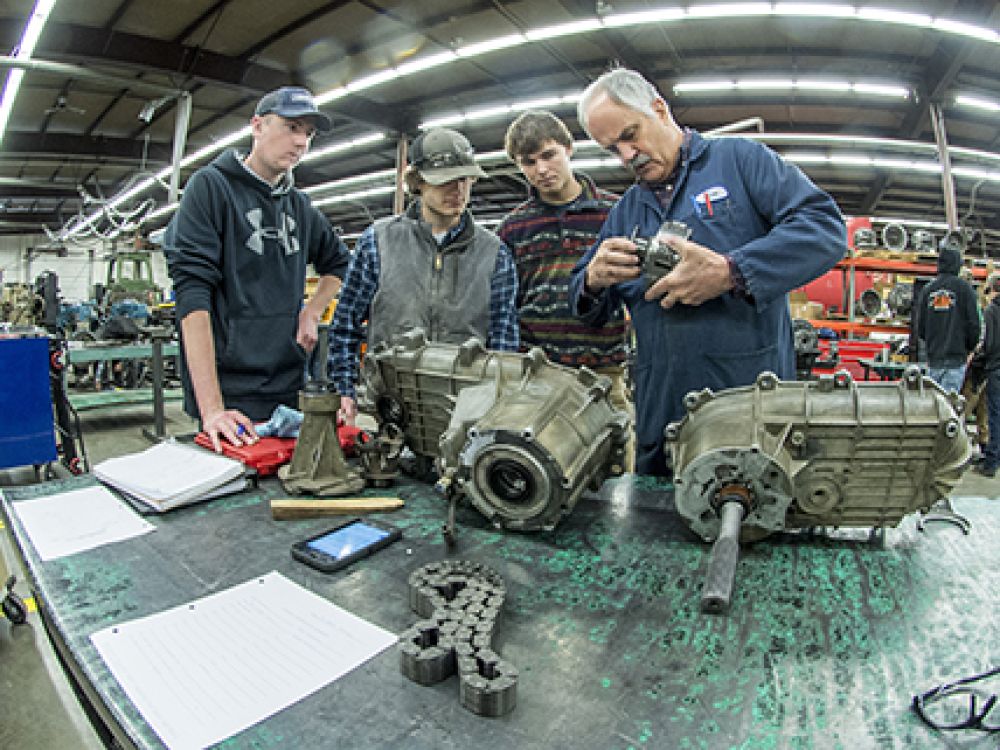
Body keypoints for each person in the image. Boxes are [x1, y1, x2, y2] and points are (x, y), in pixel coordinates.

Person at [568, 67, 846, 477]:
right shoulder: (627, 210)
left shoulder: (740, 162)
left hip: (747, 405)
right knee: (655, 528)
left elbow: (824, 229)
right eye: (613, 149)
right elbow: (583, 302)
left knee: (749, 516)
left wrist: (733, 271)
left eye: (630, 135)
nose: (627, 155)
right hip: (661, 413)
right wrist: (592, 281)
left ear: (659, 109)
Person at [165, 86, 350, 452]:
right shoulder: (211, 188)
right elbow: (193, 297)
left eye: (308, 134)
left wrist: (312, 311)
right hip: (229, 390)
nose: (300, 143)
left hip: (288, 382)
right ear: (258, 126)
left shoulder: (300, 206)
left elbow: (340, 263)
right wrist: (213, 409)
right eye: (291, 127)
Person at [329, 127, 519, 425]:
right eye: (444, 180)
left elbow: (504, 344)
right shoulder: (378, 241)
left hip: (462, 414)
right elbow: (344, 326)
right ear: (417, 181)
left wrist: (497, 406)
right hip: (385, 409)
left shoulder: (495, 254)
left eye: (464, 178)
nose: (457, 190)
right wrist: (343, 390)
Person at [497, 110, 628, 407]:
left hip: (603, 372)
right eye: (528, 162)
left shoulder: (614, 212)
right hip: (537, 373)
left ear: (568, 148)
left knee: (616, 449)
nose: (541, 169)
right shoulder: (512, 227)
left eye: (549, 155)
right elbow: (505, 305)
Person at [914, 243, 980, 394]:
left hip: (933, 359)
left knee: (933, 407)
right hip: (956, 359)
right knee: (949, 407)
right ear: (957, 264)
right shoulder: (965, 289)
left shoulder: (927, 290)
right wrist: (968, 348)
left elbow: (921, 327)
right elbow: (974, 325)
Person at [972, 275, 1000, 477]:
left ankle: (991, 462)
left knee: (995, 416)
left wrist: (977, 365)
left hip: (996, 369)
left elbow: (988, 344)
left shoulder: (992, 311)